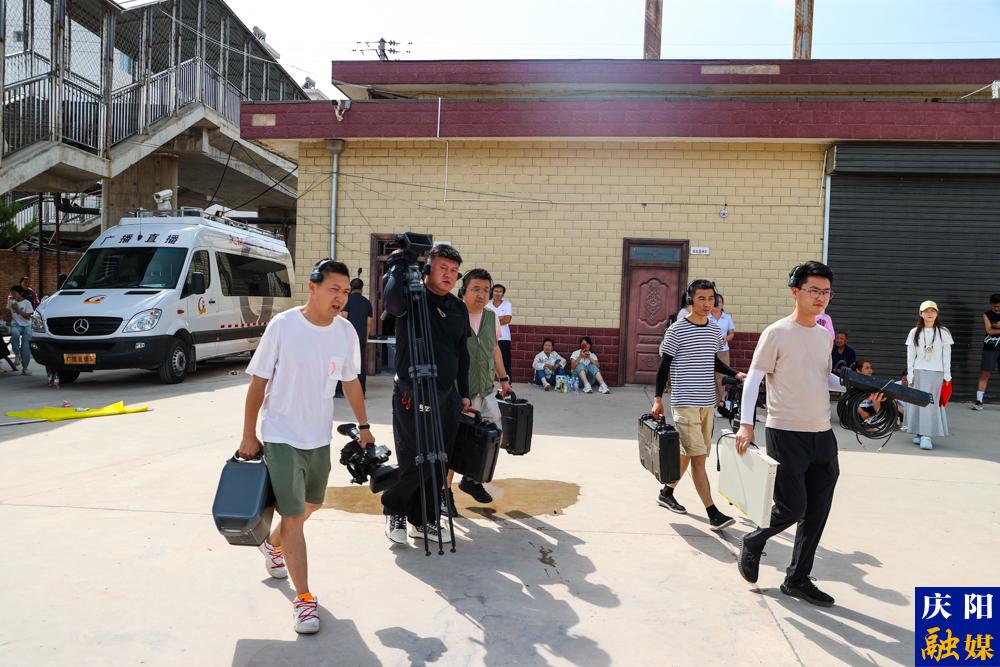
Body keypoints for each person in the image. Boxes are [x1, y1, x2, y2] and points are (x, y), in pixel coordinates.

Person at [240, 259, 374, 634]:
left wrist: (364, 426)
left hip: (319, 436)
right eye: (334, 289)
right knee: (295, 515)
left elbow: (350, 381)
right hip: (281, 434)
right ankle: (304, 600)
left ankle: (273, 544)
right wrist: (249, 434)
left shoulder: (345, 332)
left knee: (312, 503)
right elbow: (258, 382)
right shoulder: (283, 326)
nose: (341, 297)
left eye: (345, 291)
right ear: (312, 288)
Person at [735, 261, 846, 607]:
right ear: (795, 291)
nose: (821, 297)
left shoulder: (824, 335)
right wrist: (746, 423)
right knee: (791, 507)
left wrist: (858, 388)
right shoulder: (777, 333)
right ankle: (754, 540)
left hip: (822, 433)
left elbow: (823, 377)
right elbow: (754, 378)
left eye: (826, 292)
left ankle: (797, 579)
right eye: (814, 290)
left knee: (818, 509)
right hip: (785, 431)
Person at [382, 244, 471, 547]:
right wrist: (397, 264)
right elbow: (392, 305)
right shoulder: (412, 296)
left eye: (454, 271)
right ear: (428, 268)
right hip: (412, 391)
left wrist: (464, 393)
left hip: (446, 395)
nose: (449, 275)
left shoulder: (457, 307)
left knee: (438, 461)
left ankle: (424, 519)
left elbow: (462, 353)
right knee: (413, 459)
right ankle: (394, 509)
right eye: (443, 268)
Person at [651, 279, 746, 530]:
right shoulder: (677, 330)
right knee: (698, 459)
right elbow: (664, 366)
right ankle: (713, 513)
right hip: (684, 402)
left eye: (711, 299)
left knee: (687, 453)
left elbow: (712, 360)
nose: (707, 303)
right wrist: (658, 398)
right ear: (690, 300)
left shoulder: (714, 329)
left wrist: (735, 373)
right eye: (701, 298)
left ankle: (666, 493)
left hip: (707, 403)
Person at [447, 269, 513, 510]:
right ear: (463, 291)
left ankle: (471, 480)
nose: (482, 294)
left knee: (493, 436)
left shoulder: (491, 317)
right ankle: (444, 492)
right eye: (476, 289)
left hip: (486, 388)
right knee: (456, 443)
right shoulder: (453, 315)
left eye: (486, 290)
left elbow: (494, 348)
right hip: (460, 391)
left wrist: (504, 378)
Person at [904, 301, 952, 450]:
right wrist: (910, 374)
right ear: (921, 314)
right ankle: (919, 433)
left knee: (930, 404)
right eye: (926, 311)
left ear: (937, 313)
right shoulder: (914, 332)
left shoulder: (943, 332)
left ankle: (926, 435)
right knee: (917, 402)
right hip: (918, 372)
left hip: (936, 373)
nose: (930, 314)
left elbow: (947, 355)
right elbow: (910, 356)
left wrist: (947, 375)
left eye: (933, 311)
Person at [340, 276, 374, 395]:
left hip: (347, 338)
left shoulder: (347, 300)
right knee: (360, 365)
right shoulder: (367, 302)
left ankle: (339, 391)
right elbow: (369, 322)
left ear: (351, 288)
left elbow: (344, 318)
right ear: (361, 288)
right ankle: (361, 391)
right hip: (361, 338)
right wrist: (366, 336)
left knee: (343, 363)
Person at [973, 293, 1000, 410]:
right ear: (991, 304)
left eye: (999, 306)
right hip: (990, 349)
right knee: (985, 374)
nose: (996, 308)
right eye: (994, 306)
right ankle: (979, 401)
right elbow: (989, 331)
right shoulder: (987, 314)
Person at [710, 294, 736, 410]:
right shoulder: (706, 317)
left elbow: (731, 333)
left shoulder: (727, 317)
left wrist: (726, 339)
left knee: (721, 378)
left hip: (723, 350)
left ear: (723, 304)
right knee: (709, 377)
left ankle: (719, 404)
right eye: (715, 302)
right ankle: (709, 403)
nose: (717, 305)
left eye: (719, 302)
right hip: (709, 350)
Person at [486, 284, 513, 382]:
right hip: (489, 337)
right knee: (489, 362)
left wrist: (493, 319)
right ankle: (488, 385)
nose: (498, 293)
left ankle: (507, 385)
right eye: (496, 291)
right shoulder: (487, 305)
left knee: (505, 362)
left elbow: (507, 320)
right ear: (492, 292)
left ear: (503, 294)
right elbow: (484, 321)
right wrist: (500, 318)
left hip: (504, 338)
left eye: (500, 291)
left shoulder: (507, 304)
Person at [7, 286, 33, 375]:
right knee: (15, 333)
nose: (12, 295)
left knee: (25, 347)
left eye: (14, 293)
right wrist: (6, 322)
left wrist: (18, 310)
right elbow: (7, 312)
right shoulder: (11, 302)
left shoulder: (27, 303)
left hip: (27, 325)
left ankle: (25, 368)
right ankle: (17, 354)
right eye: (11, 294)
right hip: (15, 324)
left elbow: (28, 317)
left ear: (20, 293)